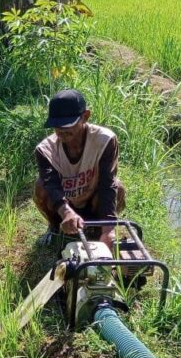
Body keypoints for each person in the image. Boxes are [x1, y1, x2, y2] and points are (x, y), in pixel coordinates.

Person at [33, 89, 125, 247]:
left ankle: (99, 228)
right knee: (40, 187)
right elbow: (51, 185)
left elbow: (107, 184)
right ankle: (56, 227)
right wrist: (66, 211)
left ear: (85, 116)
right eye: (57, 126)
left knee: (119, 187)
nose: (61, 131)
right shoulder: (46, 149)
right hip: (64, 203)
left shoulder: (104, 140)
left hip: (93, 200)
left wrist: (108, 228)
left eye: (68, 125)